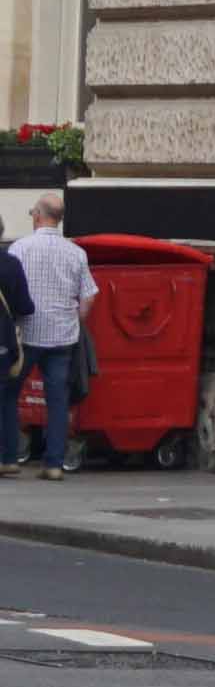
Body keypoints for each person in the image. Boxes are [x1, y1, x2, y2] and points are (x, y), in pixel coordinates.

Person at [5, 193, 95, 481]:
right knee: (58, 401)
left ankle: (8, 458)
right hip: (62, 337)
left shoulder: (20, 248)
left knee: (9, 393)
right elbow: (88, 296)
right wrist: (76, 320)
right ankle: (54, 464)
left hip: (27, 335)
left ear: (38, 215)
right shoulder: (76, 252)